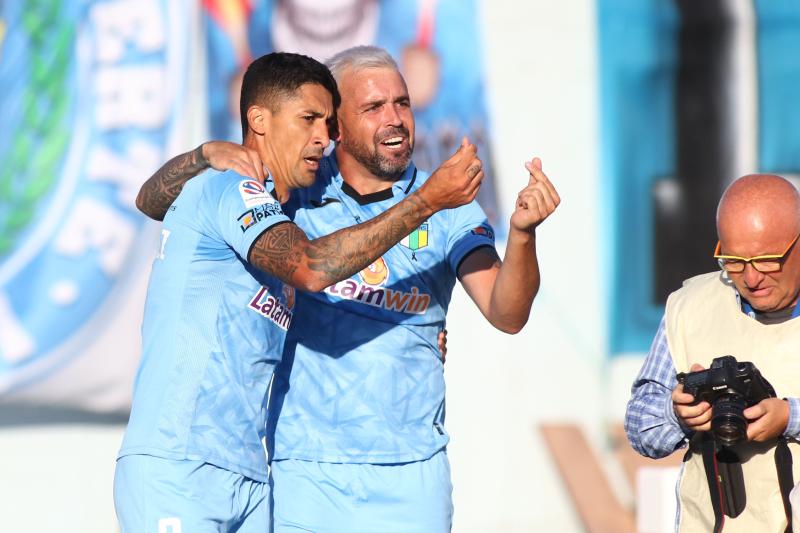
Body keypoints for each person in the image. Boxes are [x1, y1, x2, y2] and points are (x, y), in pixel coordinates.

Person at [137, 45, 559, 533]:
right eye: (374, 107)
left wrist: (524, 234)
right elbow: (157, 202)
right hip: (304, 471)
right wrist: (206, 153)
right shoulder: (295, 191)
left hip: (411, 472)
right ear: (336, 125)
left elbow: (507, 313)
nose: (395, 119)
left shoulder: (450, 205)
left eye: (402, 103)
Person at [625, 174, 800, 532]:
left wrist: (790, 417)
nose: (751, 278)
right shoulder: (689, 306)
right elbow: (640, 426)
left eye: (767, 259)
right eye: (733, 260)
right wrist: (678, 414)